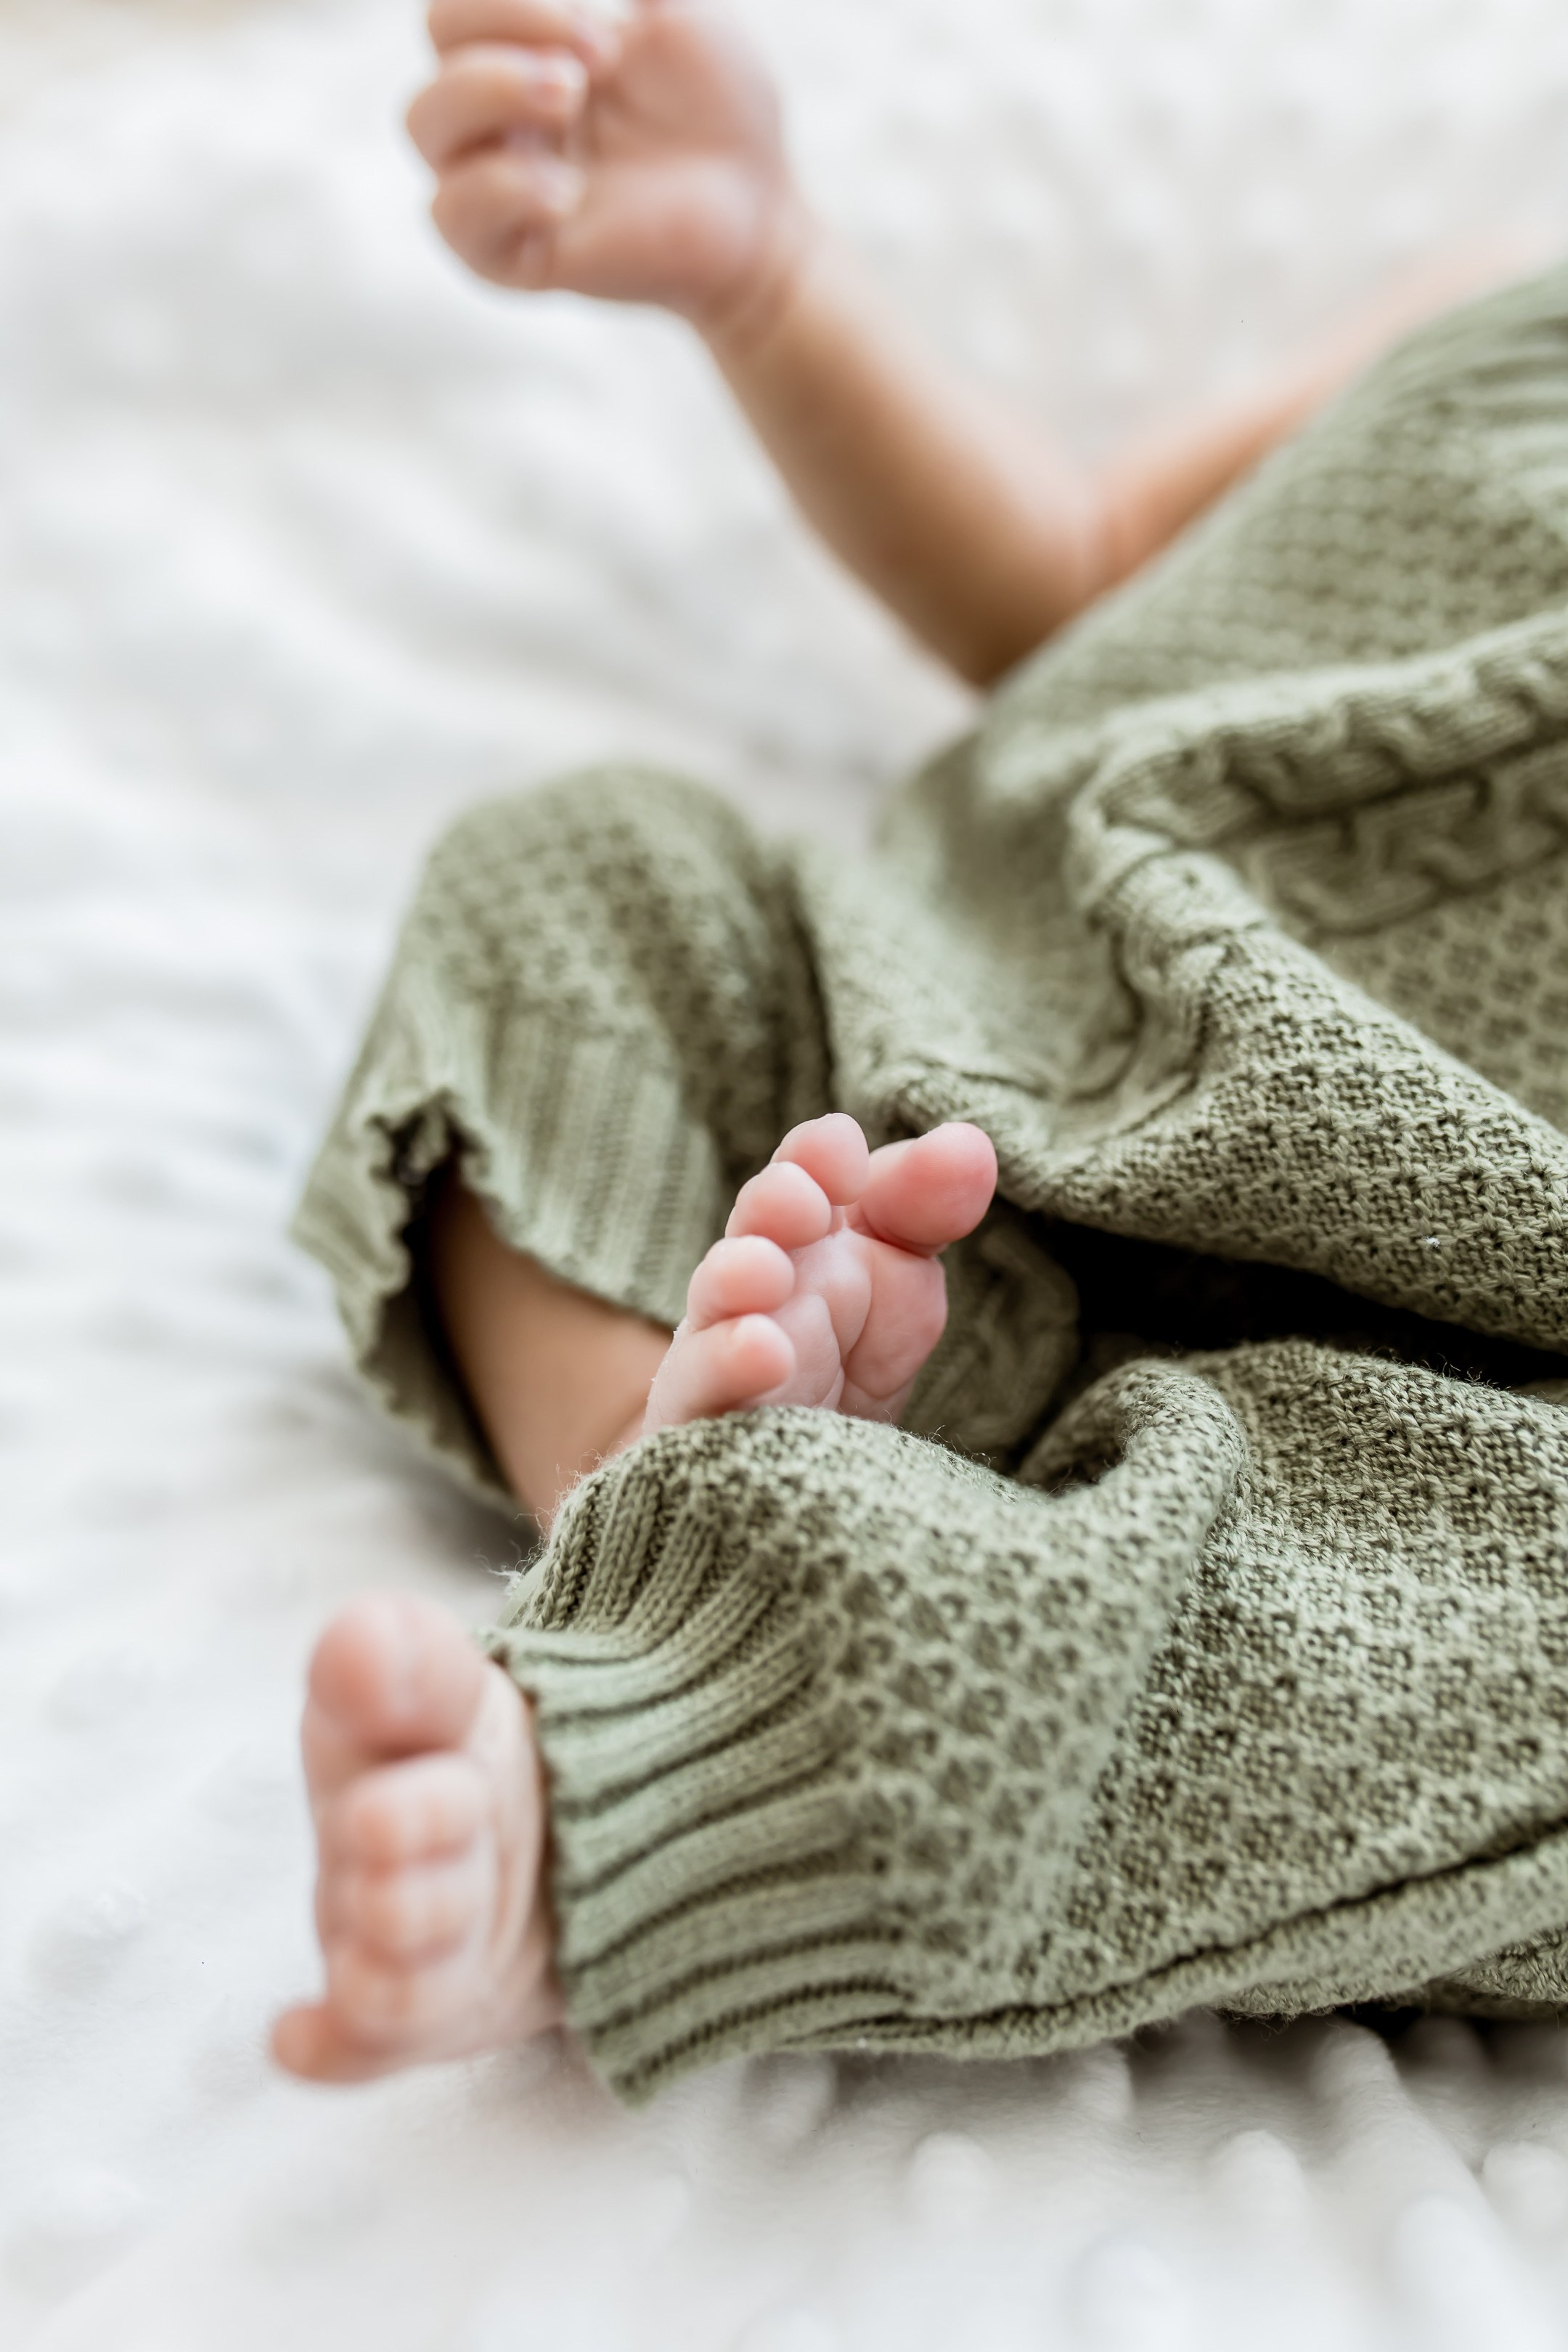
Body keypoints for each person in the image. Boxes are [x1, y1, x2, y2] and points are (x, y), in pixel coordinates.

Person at [272, 0, 1568, 2099]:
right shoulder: (1504, 320)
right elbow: (1085, 580)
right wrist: (766, 273)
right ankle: (666, 1462)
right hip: (919, 1096)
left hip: (1417, 1385)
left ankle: (651, 1785)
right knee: (581, 877)